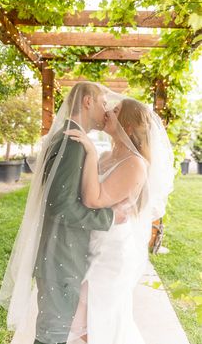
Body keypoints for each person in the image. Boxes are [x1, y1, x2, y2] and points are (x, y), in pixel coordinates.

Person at [0, 82, 127, 344]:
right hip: (61, 257)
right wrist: (109, 218)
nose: (106, 110)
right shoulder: (73, 142)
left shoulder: (69, 136)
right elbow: (60, 207)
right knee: (52, 336)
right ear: (87, 102)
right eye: (103, 103)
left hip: (59, 253)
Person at [64, 97, 174, 344]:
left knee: (92, 320)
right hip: (92, 243)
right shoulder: (105, 156)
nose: (107, 113)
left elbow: (94, 200)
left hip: (112, 253)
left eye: (114, 111)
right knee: (91, 319)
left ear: (129, 126)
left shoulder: (134, 164)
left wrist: (89, 150)